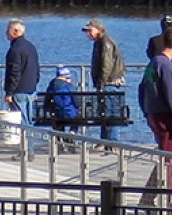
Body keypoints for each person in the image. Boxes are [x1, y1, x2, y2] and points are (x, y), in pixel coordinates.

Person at [139, 26, 172, 205]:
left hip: (153, 114)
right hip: (165, 117)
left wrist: (146, 111)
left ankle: (150, 197)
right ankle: (162, 200)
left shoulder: (153, 62)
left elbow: (141, 88)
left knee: (165, 156)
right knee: (169, 159)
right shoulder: (167, 65)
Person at [82, 19, 126, 147]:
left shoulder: (105, 43)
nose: (88, 34)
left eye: (90, 31)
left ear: (99, 30)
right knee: (105, 111)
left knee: (111, 112)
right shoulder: (100, 42)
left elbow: (106, 65)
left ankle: (111, 141)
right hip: (108, 82)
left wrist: (101, 83)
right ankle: (105, 140)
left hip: (110, 82)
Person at [4, 19, 40, 155]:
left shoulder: (15, 49)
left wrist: (9, 92)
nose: (6, 33)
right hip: (30, 88)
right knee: (28, 121)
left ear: (15, 31)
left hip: (19, 90)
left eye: (7, 30)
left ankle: (26, 151)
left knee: (22, 121)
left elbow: (14, 72)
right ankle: (29, 149)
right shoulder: (31, 47)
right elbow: (37, 69)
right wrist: (35, 84)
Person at [44, 65, 79, 151]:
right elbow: (77, 102)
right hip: (70, 115)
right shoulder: (69, 86)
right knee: (76, 118)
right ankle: (72, 133)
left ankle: (60, 140)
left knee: (57, 122)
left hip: (57, 114)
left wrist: (47, 108)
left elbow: (47, 100)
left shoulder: (52, 85)